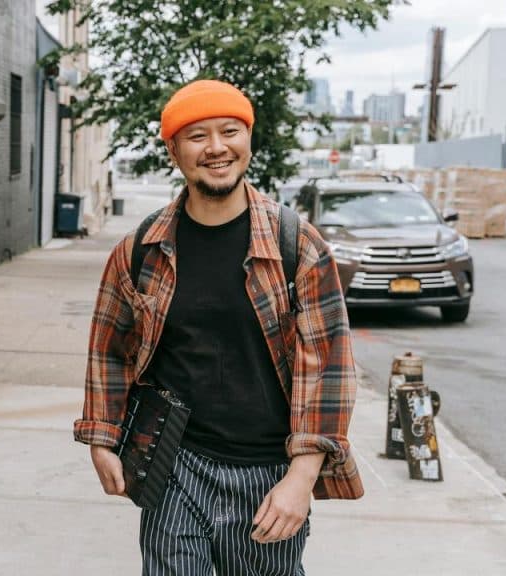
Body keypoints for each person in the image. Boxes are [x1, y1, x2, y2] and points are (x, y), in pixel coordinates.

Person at [74, 79, 363, 575]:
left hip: (268, 472)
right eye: (196, 136)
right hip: (175, 465)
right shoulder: (140, 249)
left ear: (248, 139)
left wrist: (302, 476)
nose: (215, 148)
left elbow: (328, 369)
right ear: (173, 150)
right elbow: (109, 348)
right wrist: (102, 438)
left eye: (229, 131)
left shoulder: (297, 246)